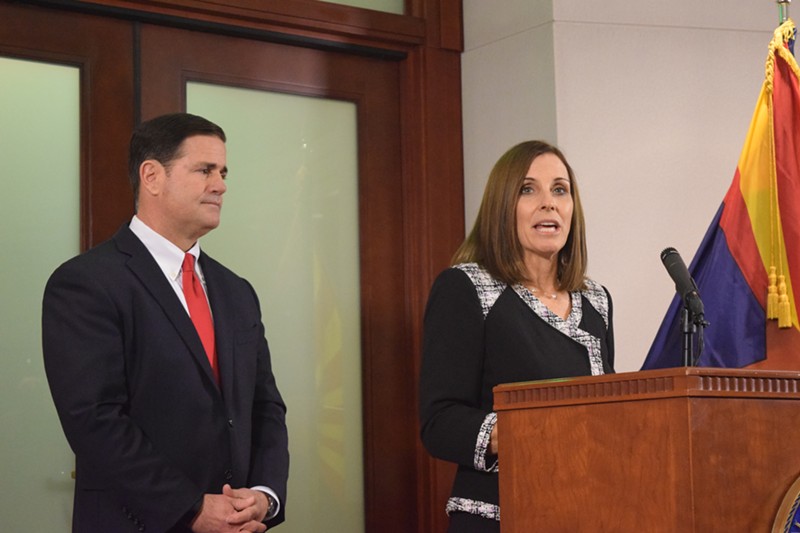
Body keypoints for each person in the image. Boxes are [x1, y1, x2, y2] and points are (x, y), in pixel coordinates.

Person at [42, 113, 289, 533]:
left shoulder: (237, 291)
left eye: (223, 172)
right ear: (152, 176)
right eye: (204, 170)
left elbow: (264, 406)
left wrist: (264, 495)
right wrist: (190, 508)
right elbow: (95, 420)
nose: (221, 185)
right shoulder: (86, 283)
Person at [419, 140, 614, 532]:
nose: (549, 203)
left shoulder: (596, 300)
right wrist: (524, 432)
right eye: (528, 189)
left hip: (586, 512)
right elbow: (439, 422)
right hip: (498, 516)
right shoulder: (466, 287)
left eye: (560, 189)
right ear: (502, 206)